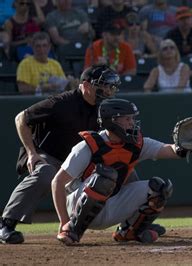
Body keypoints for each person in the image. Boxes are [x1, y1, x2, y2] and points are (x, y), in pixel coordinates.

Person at [51, 98, 192, 245]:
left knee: (160, 188)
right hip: (76, 206)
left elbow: (169, 150)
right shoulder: (87, 146)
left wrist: (182, 146)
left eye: (132, 118)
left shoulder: (135, 143)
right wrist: (64, 221)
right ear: (112, 121)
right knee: (104, 177)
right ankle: (72, 231)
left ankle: (128, 232)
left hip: (110, 205)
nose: (132, 123)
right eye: (127, 119)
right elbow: (57, 182)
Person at [0, 64, 119, 244]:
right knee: (46, 173)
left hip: (76, 161)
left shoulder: (102, 108)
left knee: (118, 166)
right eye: (102, 86)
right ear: (86, 85)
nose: (107, 91)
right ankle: (6, 224)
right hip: (47, 154)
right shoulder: (62, 102)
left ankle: (132, 224)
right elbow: (21, 118)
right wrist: (32, 153)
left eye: (109, 86)